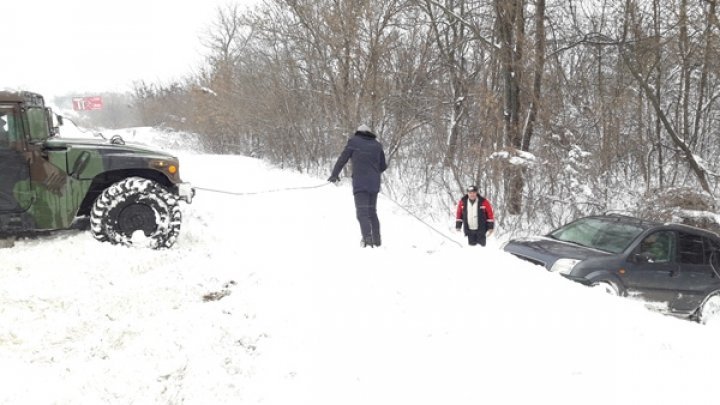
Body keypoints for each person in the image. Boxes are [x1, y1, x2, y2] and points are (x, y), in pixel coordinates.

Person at [328, 124, 387, 247]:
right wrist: (372, 173)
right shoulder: (377, 145)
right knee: (372, 212)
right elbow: (383, 166)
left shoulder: (354, 142)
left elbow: (342, 159)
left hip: (360, 184)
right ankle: (377, 241)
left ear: (359, 132)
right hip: (374, 184)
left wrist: (334, 175)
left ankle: (367, 240)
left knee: (362, 213)